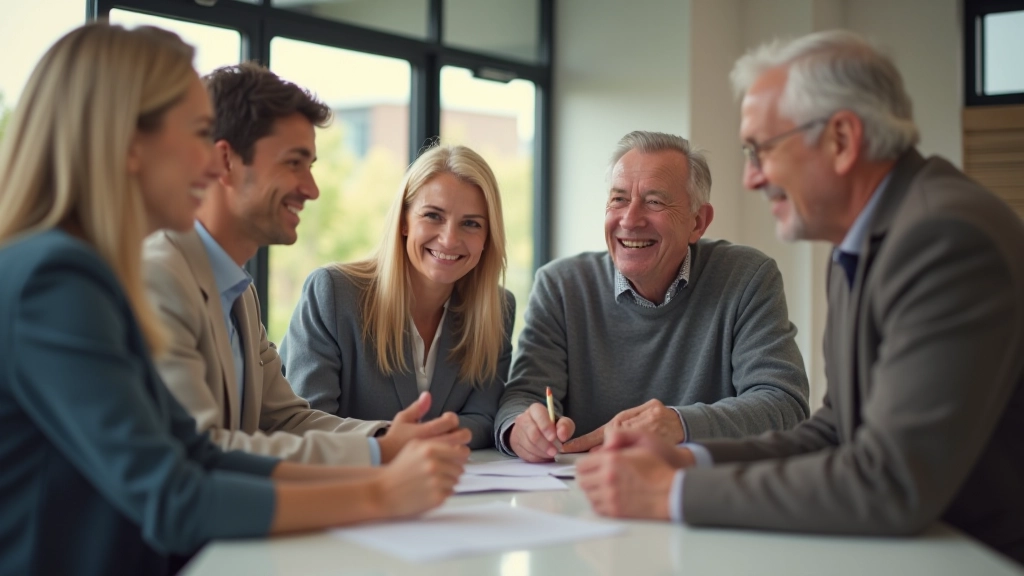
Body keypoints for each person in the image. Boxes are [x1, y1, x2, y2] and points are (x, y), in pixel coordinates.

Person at [0, 23, 466, 576]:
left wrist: (379, 470)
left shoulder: (92, 272)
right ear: (128, 144)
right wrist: (381, 494)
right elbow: (174, 497)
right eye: (198, 133)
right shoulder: (59, 279)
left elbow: (198, 455)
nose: (209, 162)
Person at [576, 31, 1024, 565]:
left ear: (840, 139)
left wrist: (668, 494)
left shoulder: (943, 238)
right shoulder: (866, 240)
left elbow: (891, 482)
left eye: (761, 149)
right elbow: (835, 431)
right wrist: (689, 463)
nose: (751, 178)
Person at [143, 62, 468, 466]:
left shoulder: (237, 291)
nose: (311, 189)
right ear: (225, 160)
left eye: (310, 167)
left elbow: (285, 419)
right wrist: (378, 454)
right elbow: (198, 451)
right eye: (293, 163)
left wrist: (389, 436)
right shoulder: (158, 278)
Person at [494, 130, 810, 462]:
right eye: (618, 199)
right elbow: (524, 396)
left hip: (697, 495)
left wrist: (679, 424)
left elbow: (784, 403)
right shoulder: (560, 286)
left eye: (654, 202)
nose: (629, 220)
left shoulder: (747, 278)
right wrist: (521, 428)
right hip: (581, 493)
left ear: (698, 222)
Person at [280, 144, 514, 450]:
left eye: (471, 223)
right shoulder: (333, 293)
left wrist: (422, 440)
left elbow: (484, 417)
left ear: (488, 236)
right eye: (433, 215)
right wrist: (395, 440)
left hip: (453, 490)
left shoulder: (496, 309)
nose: (449, 239)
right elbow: (308, 422)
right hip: (348, 488)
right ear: (404, 220)